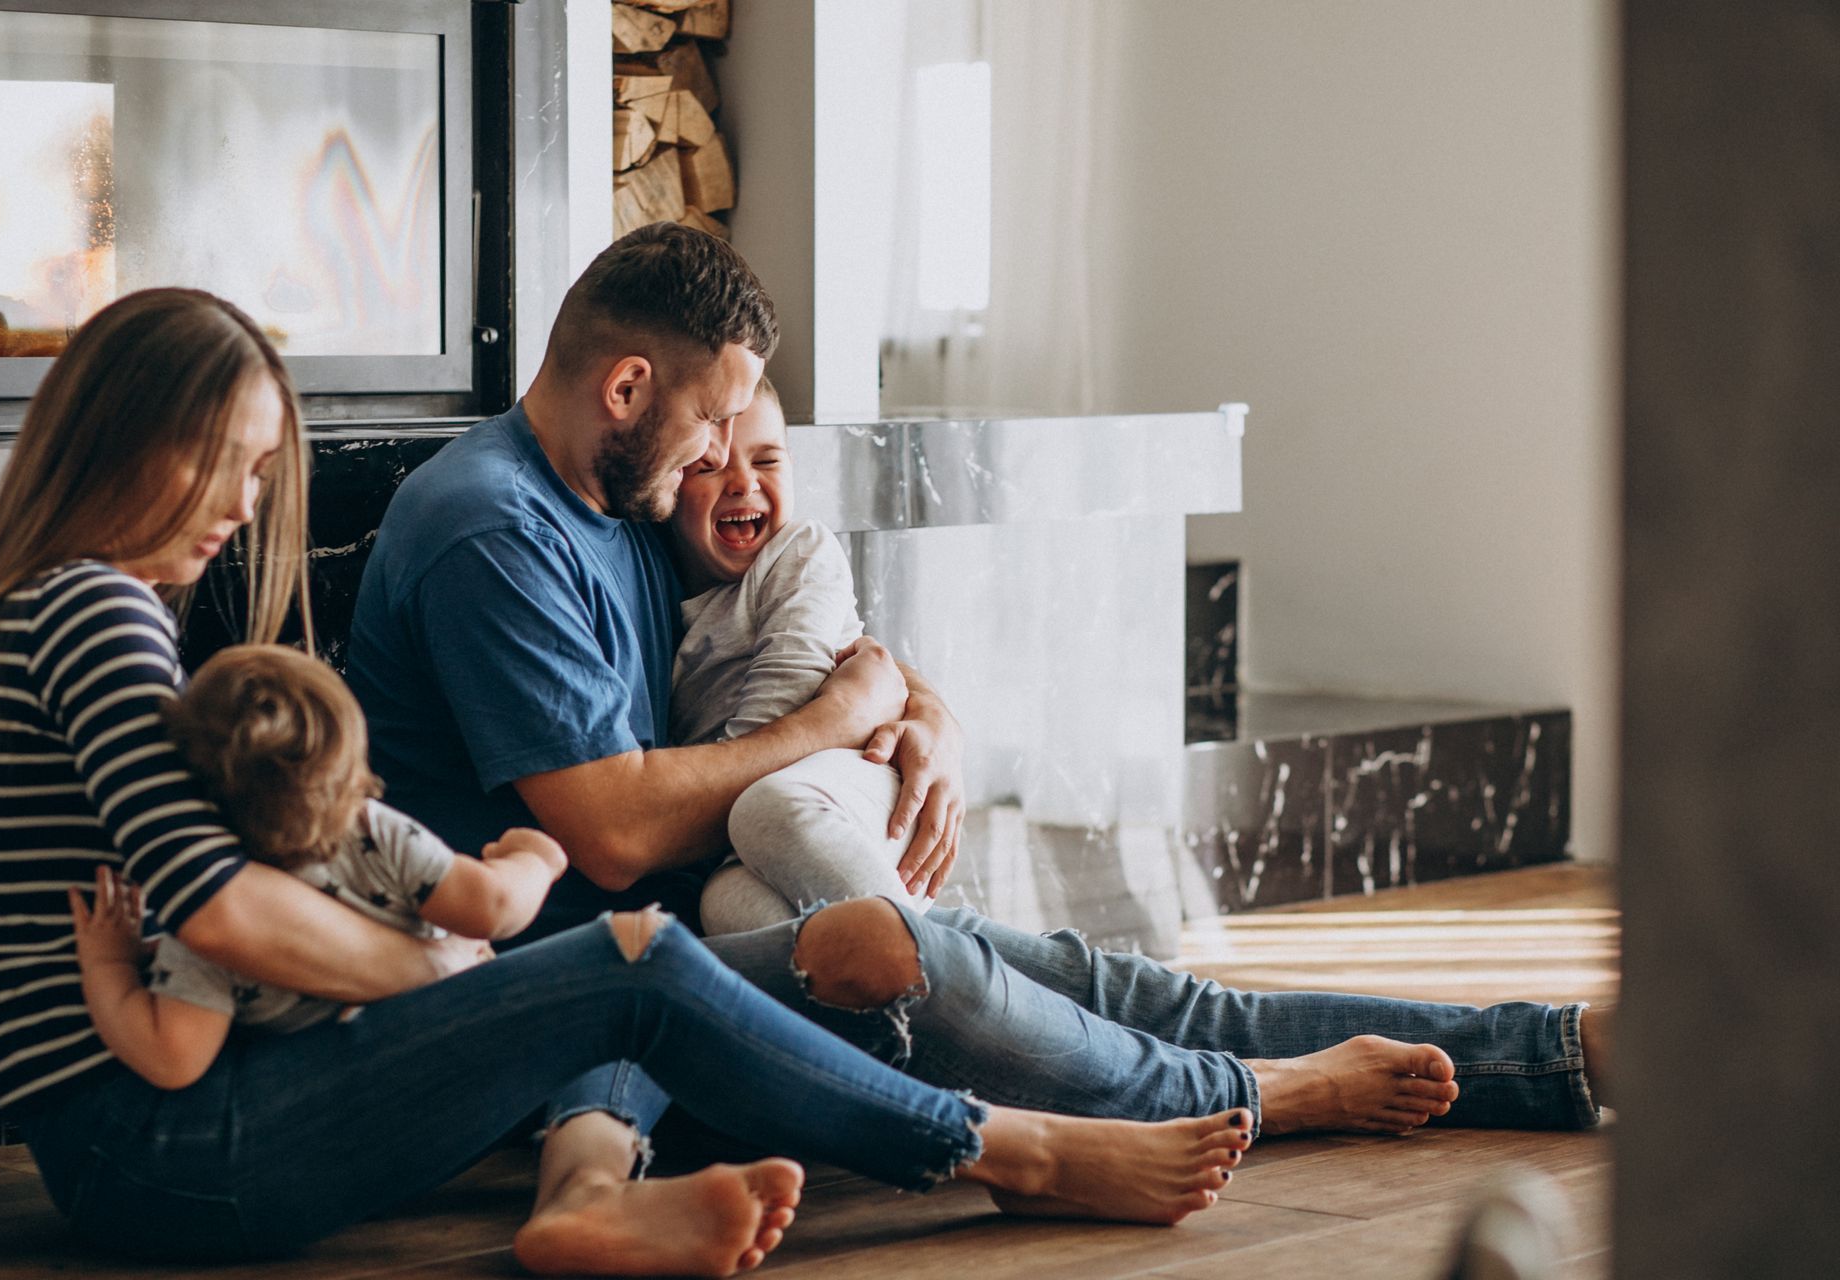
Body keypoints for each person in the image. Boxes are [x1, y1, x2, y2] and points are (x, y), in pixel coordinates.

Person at [0, 287, 1258, 1274]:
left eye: (266, 468)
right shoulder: (92, 616)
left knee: (641, 967)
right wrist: (450, 978)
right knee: (621, 964)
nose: (247, 501)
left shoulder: (55, 610)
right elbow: (218, 912)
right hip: (169, 1157)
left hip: (162, 1141)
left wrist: (917, 704)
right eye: (225, 457)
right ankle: (1014, 1150)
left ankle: (624, 1185)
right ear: (123, 438)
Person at [346, 223, 1606, 1206]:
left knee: (1094, 975)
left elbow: (804, 635)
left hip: (707, 930)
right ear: (627, 385)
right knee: (932, 959)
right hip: (586, 993)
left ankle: (1545, 1050)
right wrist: (844, 714)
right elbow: (613, 833)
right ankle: (1255, 1095)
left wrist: (916, 707)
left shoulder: (616, 501)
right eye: (711, 416)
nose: (723, 450)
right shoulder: (490, 530)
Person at [70, 644, 571, 1087]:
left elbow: (174, 1059)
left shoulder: (209, 911)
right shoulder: (375, 833)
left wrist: (107, 964)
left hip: (322, 1107)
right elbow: (494, 905)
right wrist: (536, 859)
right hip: (443, 1073)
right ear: (349, 764)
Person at [666, 374, 925, 934]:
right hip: (748, 824)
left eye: (767, 461)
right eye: (708, 467)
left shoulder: (799, 551)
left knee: (765, 810)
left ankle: (946, 967)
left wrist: (689, 818)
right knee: (723, 908)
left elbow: (782, 702)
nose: (742, 483)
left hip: (854, 783)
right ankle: (901, 994)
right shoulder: (663, 594)